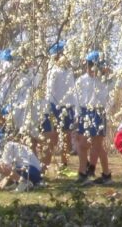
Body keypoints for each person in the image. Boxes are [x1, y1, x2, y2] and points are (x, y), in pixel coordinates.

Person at [73, 50, 113, 185]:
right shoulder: (81, 80)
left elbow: (109, 98)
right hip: (85, 112)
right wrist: (78, 115)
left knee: (97, 146)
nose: (91, 69)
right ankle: (83, 171)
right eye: (89, 65)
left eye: (95, 66)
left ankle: (105, 174)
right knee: (83, 144)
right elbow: (76, 99)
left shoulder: (104, 81)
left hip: (98, 113)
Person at [40, 40, 75, 171]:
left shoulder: (68, 70)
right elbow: (49, 91)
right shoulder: (52, 71)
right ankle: (45, 166)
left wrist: (74, 107)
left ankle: (64, 165)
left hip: (68, 106)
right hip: (54, 106)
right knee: (52, 137)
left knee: (66, 138)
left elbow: (72, 90)